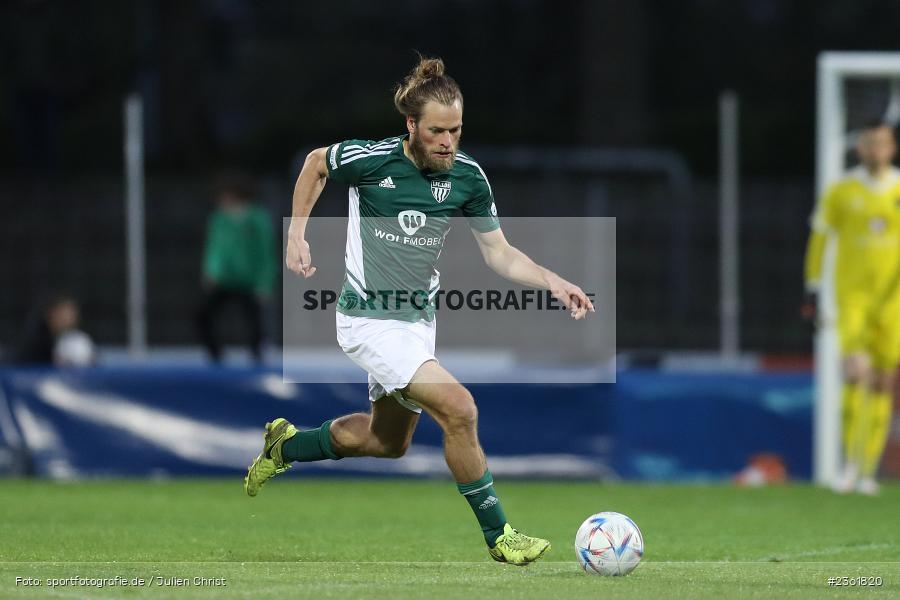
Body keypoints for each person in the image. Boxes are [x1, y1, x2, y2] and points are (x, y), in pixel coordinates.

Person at [244, 55, 595, 566]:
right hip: (367, 321)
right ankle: (500, 536)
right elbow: (317, 161)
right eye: (437, 131)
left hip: (416, 325)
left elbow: (498, 252)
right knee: (460, 409)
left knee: (386, 442)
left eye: (455, 129)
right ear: (412, 125)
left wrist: (551, 280)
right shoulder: (375, 160)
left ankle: (286, 447)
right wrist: (296, 233)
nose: (448, 141)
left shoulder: (468, 178)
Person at [803, 120, 900, 495]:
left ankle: (868, 472)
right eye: (869, 143)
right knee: (855, 372)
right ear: (860, 148)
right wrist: (813, 289)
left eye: (882, 143)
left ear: (891, 148)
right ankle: (848, 465)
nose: (875, 150)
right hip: (853, 296)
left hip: (893, 301)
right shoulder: (842, 191)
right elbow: (820, 237)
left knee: (882, 380)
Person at [196, 174, 277, 363]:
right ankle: (215, 353)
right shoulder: (219, 218)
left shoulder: (257, 218)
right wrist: (211, 271)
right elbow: (214, 247)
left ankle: (257, 355)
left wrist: (265, 282)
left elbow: (266, 251)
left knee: (253, 320)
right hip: (225, 279)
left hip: (249, 280)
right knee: (203, 315)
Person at [14, 292, 94, 366]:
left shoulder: (76, 339)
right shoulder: (36, 343)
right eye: (63, 314)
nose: (68, 318)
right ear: (50, 314)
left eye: (71, 314)